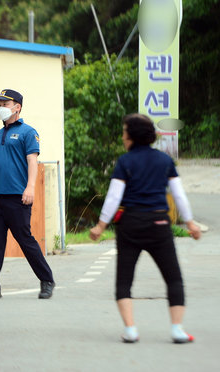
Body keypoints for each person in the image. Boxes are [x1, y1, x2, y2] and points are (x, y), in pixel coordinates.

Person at [89, 113, 201, 343]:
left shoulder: (125, 162)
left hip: (130, 224)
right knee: (174, 278)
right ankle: (177, 329)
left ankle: (130, 330)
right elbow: (178, 195)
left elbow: (113, 197)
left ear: (131, 135)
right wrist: (190, 223)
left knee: (124, 280)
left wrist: (101, 226)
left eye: (124, 131)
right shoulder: (165, 161)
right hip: (159, 224)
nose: (122, 136)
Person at [0, 89, 55, 300]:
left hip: (18, 196)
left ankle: (46, 280)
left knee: (25, 240)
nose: (1, 108)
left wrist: (31, 187)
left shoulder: (28, 132)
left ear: (17, 107)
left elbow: (32, 162)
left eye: (5, 104)